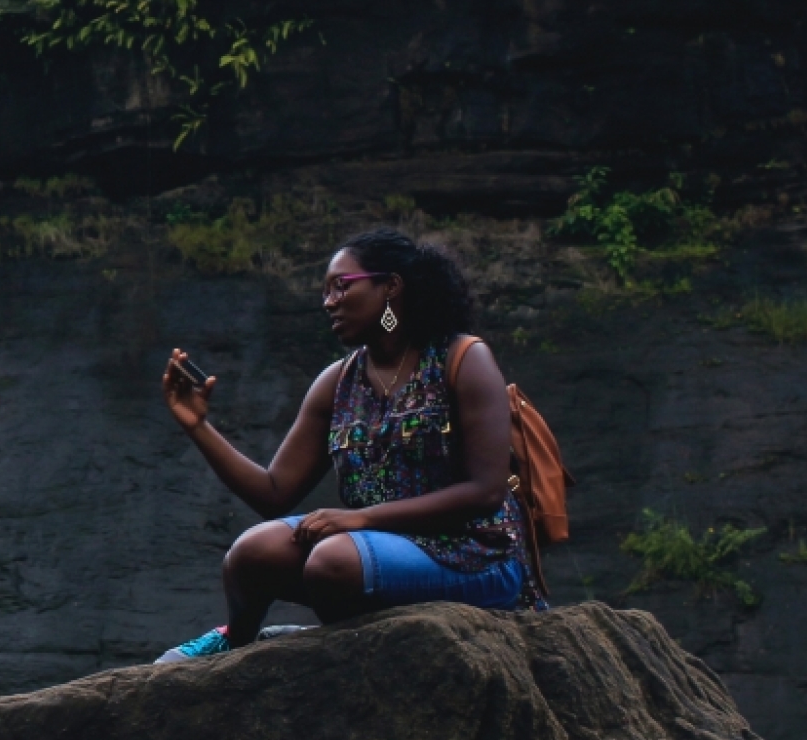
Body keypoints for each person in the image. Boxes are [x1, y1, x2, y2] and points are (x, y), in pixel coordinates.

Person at [154, 228, 542, 663]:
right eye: (324, 291)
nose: (328, 301)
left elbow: (485, 491)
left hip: (475, 556)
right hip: (368, 550)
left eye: (342, 285)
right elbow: (274, 492)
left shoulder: (462, 359)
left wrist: (359, 518)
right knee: (252, 551)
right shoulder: (338, 381)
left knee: (331, 560)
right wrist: (198, 426)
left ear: (390, 286)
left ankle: (335, 640)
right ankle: (238, 645)